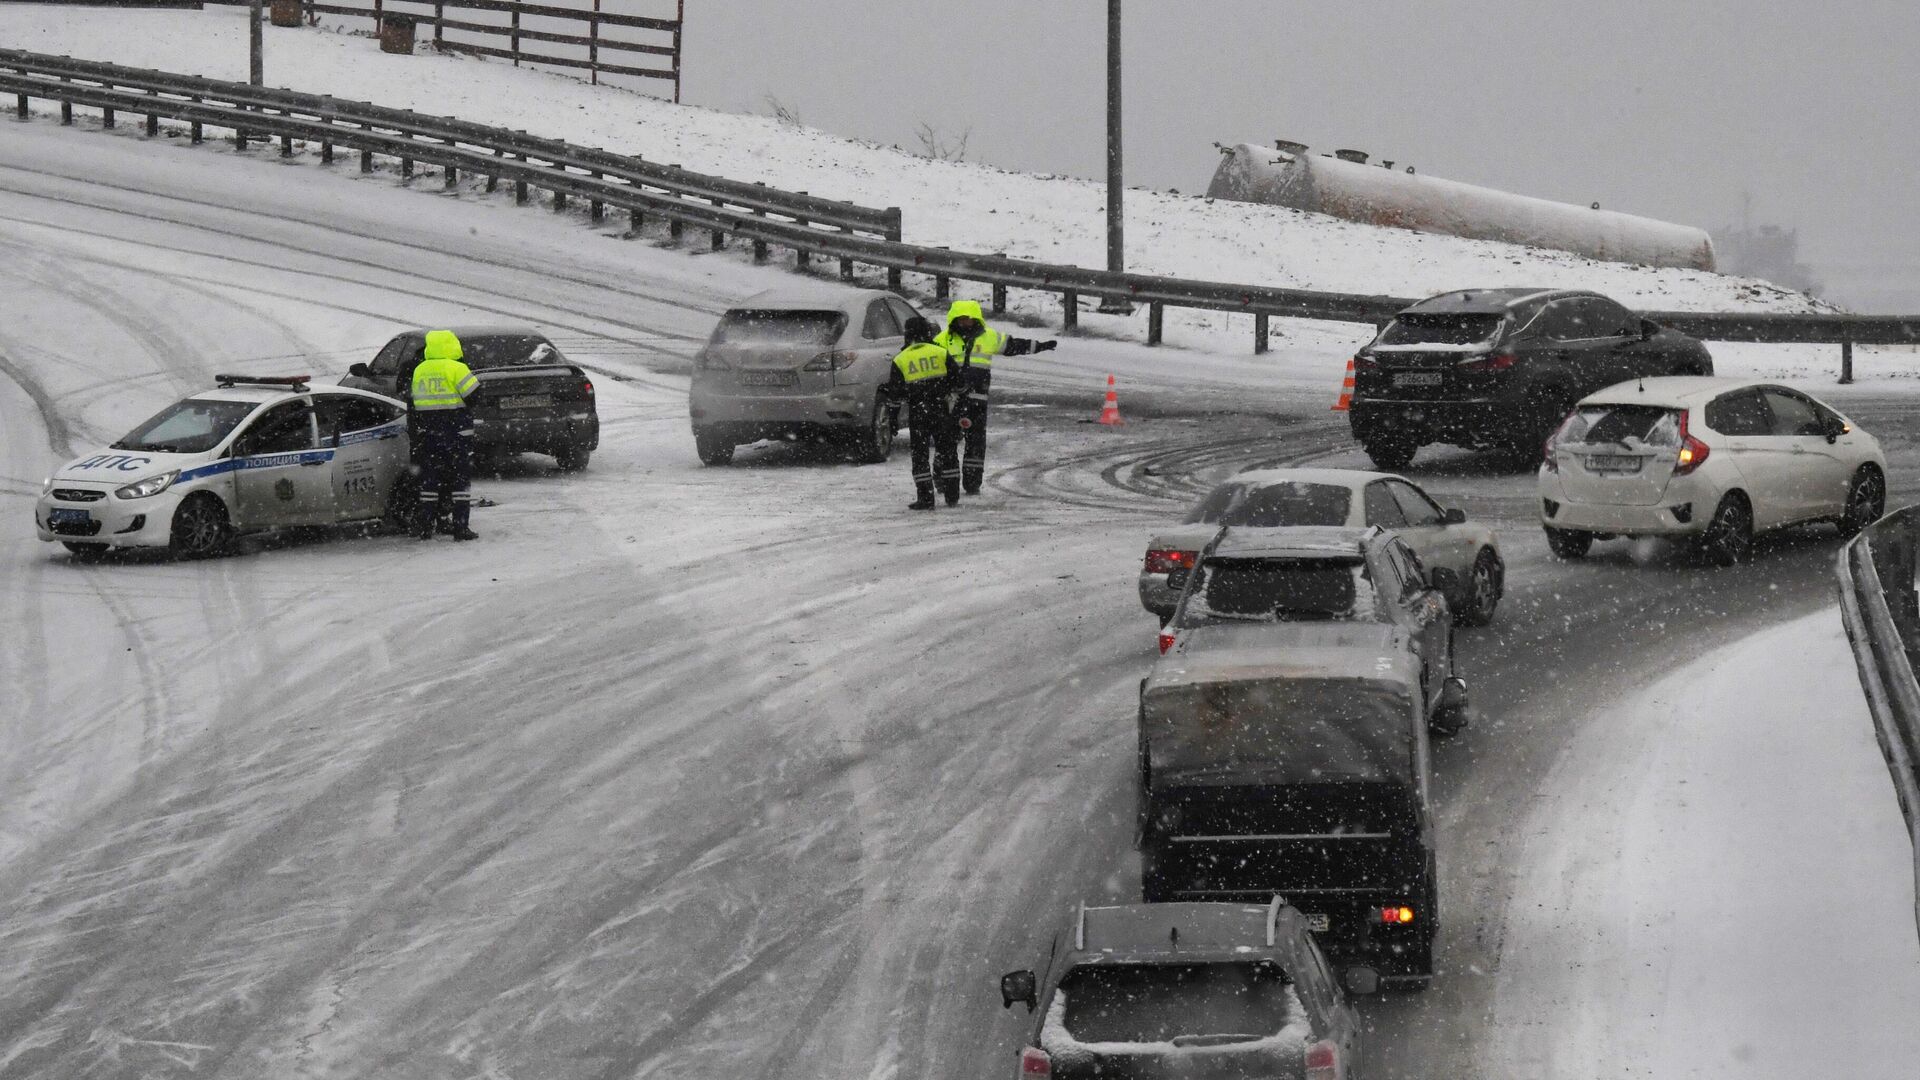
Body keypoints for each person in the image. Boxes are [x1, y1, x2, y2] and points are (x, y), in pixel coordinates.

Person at [932, 300, 1057, 495]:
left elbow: (1012, 345)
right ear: (954, 319)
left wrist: (1039, 346)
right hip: (951, 399)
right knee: (947, 441)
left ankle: (972, 482)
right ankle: (943, 479)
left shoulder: (988, 337)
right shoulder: (941, 340)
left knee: (975, 442)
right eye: (962, 319)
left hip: (977, 399)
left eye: (970, 319)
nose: (966, 322)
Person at [409, 329, 480, 541]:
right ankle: (460, 528)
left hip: (429, 435)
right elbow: (475, 396)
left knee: (430, 482)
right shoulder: (457, 368)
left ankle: (425, 526)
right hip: (457, 434)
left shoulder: (420, 370)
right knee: (460, 483)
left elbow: (414, 401)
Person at [884, 316, 961, 509]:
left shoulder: (900, 359)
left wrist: (892, 419)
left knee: (920, 455)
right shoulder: (941, 352)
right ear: (928, 332)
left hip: (918, 412)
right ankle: (952, 495)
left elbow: (895, 395)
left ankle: (926, 498)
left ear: (907, 334)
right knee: (948, 451)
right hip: (941, 409)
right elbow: (959, 382)